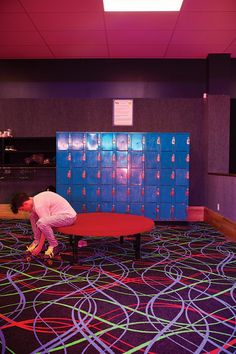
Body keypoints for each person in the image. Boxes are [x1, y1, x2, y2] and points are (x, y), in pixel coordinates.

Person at [10, 191, 77, 257]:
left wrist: (39, 247)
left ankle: (54, 245)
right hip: (58, 215)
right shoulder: (34, 200)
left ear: (25, 204)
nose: (24, 211)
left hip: (68, 217)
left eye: (22, 209)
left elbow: (44, 224)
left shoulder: (39, 205)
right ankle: (37, 241)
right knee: (32, 216)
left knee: (42, 223)